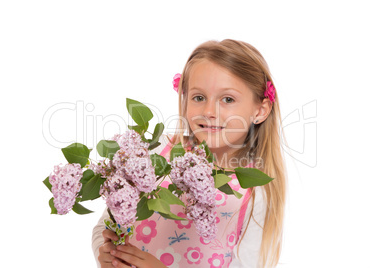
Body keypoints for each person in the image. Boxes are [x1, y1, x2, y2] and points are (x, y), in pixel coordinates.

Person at [92, 39, 287, 268]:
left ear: (260, 110)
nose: (208, 111)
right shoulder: (156, 155)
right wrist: (104, 251)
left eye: (227, 99)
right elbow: (104, 225)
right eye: (199, 97)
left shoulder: (256, 193)